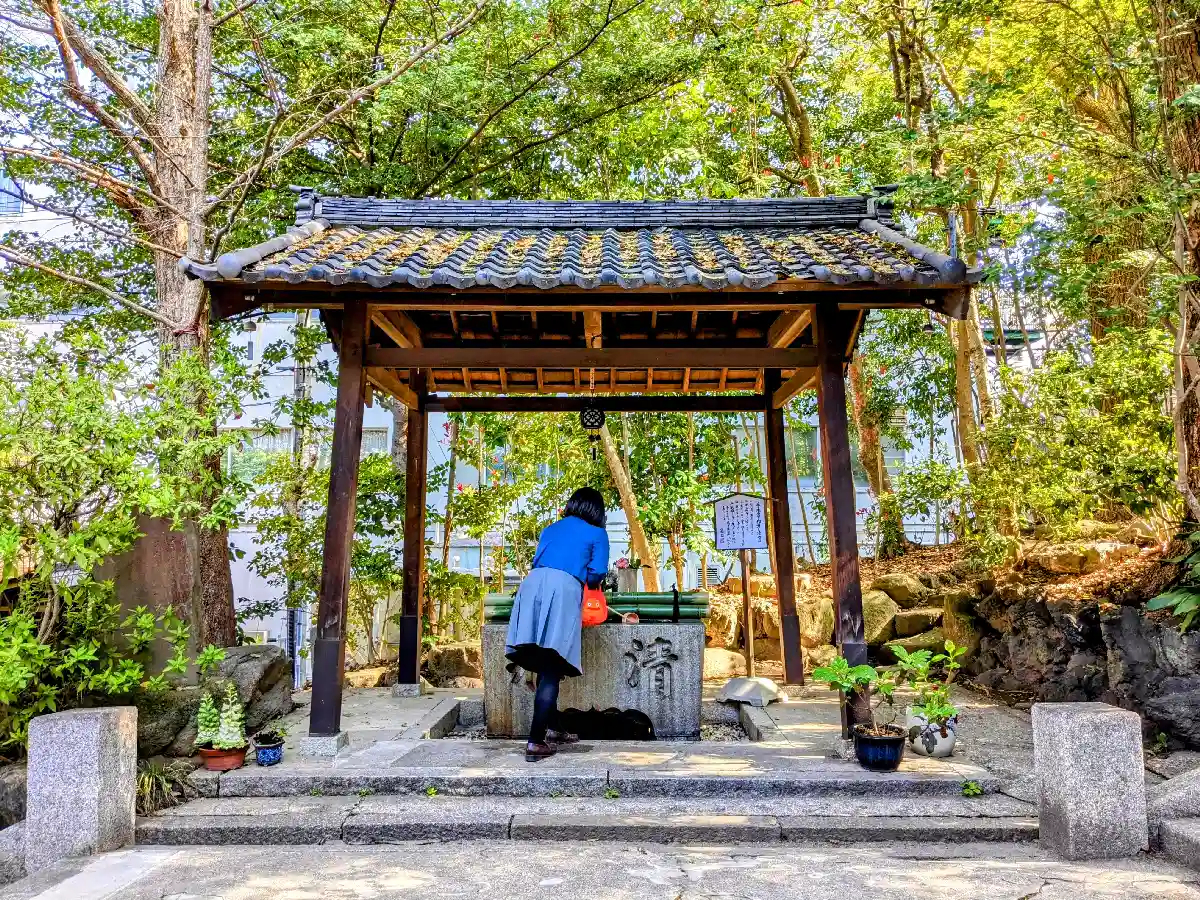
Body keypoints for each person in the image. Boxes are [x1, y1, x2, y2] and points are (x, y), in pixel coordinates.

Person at [505, 486, 609, 761]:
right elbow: (597, 573)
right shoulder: (597, 533)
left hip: (532, 586)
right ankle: (535, 742)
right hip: (563, 589)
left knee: (542, 660)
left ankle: (554, 728)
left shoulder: (550, 529)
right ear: (597, 510)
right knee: (551, 667)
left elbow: (539, 560)